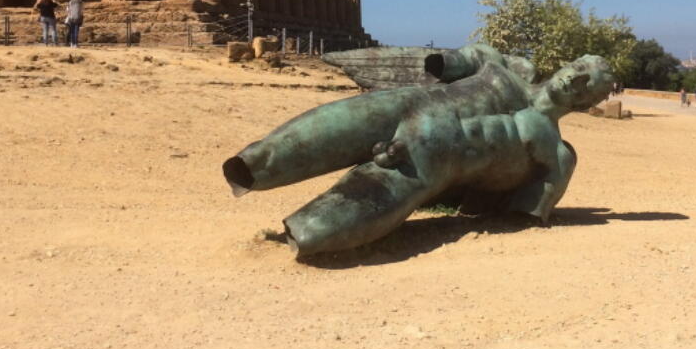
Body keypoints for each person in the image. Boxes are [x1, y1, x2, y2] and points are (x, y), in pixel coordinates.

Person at [224, 43, 614, 257]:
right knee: (288, 146)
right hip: (404, 105)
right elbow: (462, 59)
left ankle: (299, 234)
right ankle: (250, 169)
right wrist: (449, 61)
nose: (574, 78)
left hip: (428, 165)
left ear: (585, 102)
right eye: (578, 65)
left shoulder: (557, 153)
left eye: (586, 84)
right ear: (568, 61)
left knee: (318, 229)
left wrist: (473, 198)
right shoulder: (511, 68)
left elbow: (520, 210)